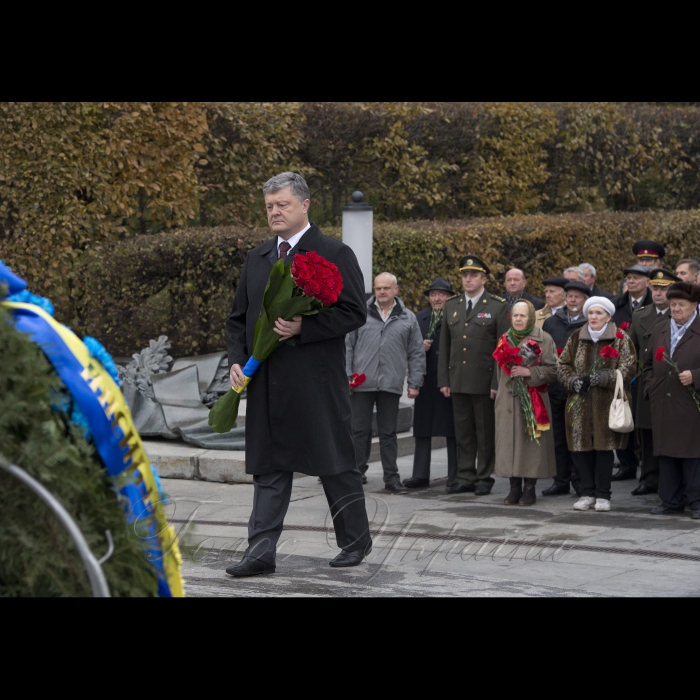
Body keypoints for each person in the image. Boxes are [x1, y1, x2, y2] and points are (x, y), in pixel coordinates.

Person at [225, 171, 371, 577]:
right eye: (269, 206)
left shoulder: (332, 252)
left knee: (334, 462)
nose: (274, 212)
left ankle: (356, 542)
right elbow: (238, 320)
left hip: (316, 384)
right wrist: (237, 359)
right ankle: (261, 551)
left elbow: (355, 311)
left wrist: (305, 329)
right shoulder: (257, 258)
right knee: (268, 467)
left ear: (305, 205)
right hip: (266, 384)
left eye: (282, 204)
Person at [346, 272, 425, 494]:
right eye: (378, 288)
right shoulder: (361, 314)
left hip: (390, 384)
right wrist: (347, 376)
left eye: (386, 288)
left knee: (389, 433)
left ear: (395, 290)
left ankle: (391, 478)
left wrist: (414, 382)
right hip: (361, 384)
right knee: (359, 431)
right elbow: (347, 346)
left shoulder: (408, 318)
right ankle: (356, 474)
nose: (382, 292)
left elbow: (416, 352)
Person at [438, 255, 510, 496]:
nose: (467, 279)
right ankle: (465, 476)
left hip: (483, 380)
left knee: (485, 432)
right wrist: (444, 380)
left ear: (484, 278)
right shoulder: (451, 305)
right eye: (464, 275)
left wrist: (496, 382)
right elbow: (445, 347)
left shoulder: (498, 306)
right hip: (458, 379)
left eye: (473, 275)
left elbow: (502, 349)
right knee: (463, 432)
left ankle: (483, 478)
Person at [558, 296, 637, 512]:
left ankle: (603, 495)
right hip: (579, 404)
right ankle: (586, 493)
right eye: (591, 313)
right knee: (581, 449)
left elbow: (628, 367)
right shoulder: (576, 337)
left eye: (599, 313)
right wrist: (573, 381)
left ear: (609, 316)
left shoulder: (620, 338)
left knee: (604, 450)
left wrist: (603, 378)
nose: (594, 317)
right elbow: (562, 364)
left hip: (606, 405)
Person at [643, 282, 700, 520]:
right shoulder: (661, 328)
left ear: (695, 306)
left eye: (682, 305)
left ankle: (696, 502)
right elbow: (646, 365)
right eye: (673, 304)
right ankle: (670, 501)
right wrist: (651, 387)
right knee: (666, 455)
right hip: (663, 403)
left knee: (692, 455)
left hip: (690, 403)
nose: (676, 309)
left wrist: (696, 376)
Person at [494, 300, 557, 506]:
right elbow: (498, 371)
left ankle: (529, 488)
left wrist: (530, 372)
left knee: (530, 445)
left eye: (522, 316)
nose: (518, 319)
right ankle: (514, 488)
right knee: (509, 443)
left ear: (530, 317)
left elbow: (554, 370)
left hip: (533, 400)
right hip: (508, 400)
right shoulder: (504, 338)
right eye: (515, 315)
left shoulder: (543, 338)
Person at [627, 268, 680, 496]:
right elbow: (631, 349)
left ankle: (674, 481)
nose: (659, 293)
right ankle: (649, 477)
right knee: (647, 433)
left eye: (664, 288)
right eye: (655, 288)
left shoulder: (680, 314)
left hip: (672, 381)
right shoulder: (640, 315)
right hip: (647, 381)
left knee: (672, 431)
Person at [404, 278, 458, 490]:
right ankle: (420, 474)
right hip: (425, 380)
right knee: (422, 428)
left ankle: (455, 475)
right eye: (433, 294)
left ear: (449, 297)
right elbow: (408, 348)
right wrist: (419, 346)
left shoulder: (455, 317)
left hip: (449, 379)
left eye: (442, 294)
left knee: (453, 429)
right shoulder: (419, 318)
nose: (437, 298)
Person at [540, 280, 590, 496]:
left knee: (578, 438)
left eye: (577, 297)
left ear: (585, 300)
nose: (572, 300)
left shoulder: (591, 322)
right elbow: (542, 351)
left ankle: (581, 482)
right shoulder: (552, 322)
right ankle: (560, 480)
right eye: (569, 296)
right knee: (557, 438)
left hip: (580, 390)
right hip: (556, 389)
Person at [611, 264, 652, 481]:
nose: (631, 281)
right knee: (621, 418)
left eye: (636, 277)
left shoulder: (654, 304)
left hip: (645, 371)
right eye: (628, 277)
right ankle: (626, 464)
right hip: (621, 371)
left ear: (648, 282)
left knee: (642, 421)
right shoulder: (617, 305)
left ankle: (647, 467)